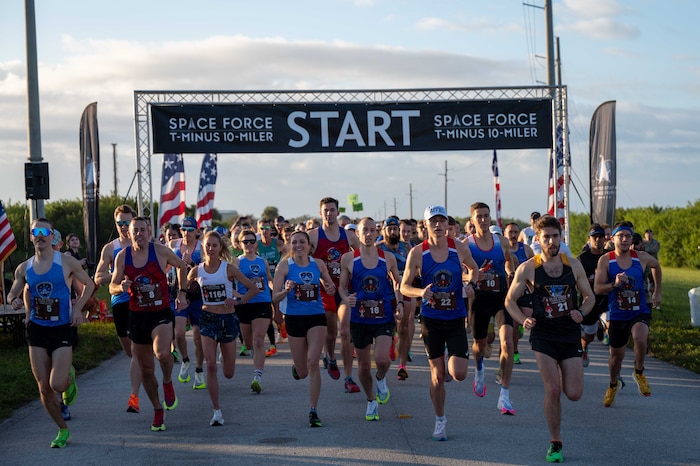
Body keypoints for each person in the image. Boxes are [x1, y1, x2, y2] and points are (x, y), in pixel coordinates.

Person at [505, 215, 594, 463]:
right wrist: (523, 321)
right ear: (538, 239)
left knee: (574, 393)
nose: (552, 241)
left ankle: (567, 384)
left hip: (568, 333)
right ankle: (555, 442)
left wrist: (582, 312)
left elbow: (589, 297)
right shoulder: (528, 268)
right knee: (553, 389)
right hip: (543, 335)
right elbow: (509, 301)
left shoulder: (573, 265)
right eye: (547, 237)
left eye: (556, 236)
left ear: (561, 237)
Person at [7, 219, 95, 448]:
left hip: (61, 327)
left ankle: (69, 377)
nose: (40, 235)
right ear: (31, 236)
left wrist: (77, 309)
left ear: (52, 236)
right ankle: (62, 430)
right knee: (43, 387)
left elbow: (90, 285)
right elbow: (12, 293)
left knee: (57, 383)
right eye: (36, 232)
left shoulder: (65, 262)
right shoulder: (24, 268)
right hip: (37, 328)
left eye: (45, 231)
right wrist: (14, 300)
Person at [400, 205, 477, 441]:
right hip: (431, 320)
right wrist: (421, 292)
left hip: (455, 319)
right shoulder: (417, 253)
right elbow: (404, 286)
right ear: (425, 225)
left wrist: (468, 282)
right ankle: (440, 420)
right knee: (436, 375)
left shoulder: (459, 248)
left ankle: (448, 363)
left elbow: (472, 269)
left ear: (447, 224)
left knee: (460, 374)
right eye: (433, 221)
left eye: (442, 221)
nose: (438, 225)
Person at [109, 216, 188, 431]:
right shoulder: (122, 257)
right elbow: (112, 286)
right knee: (144, 370)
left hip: (161, 312)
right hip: (137, 316)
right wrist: (120, 287)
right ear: (129, 233)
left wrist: (181, 292)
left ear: (149, 232)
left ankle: (167, 380)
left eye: (143, 230)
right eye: (135, 230)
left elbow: (182, 266)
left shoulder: (160, 251)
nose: (139, 234)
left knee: (162, 353)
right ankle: (156, 409)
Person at [187, 231, 258, 425]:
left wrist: (236, 300)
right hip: (207, 318)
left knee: (228, 372)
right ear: (203, 247)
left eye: (214, 245)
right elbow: (183, 290)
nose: (210, 249)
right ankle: (216, 411)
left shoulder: (228, 269)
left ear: (220, 248)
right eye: (207, 245)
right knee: (210, 366)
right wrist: (181, 298)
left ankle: (224, 354)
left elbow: (253, 289)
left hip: (228, 319)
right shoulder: (196, 271)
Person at [339, 217, 403, 421]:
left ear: (377, 233)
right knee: (364, 367)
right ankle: (371, 400)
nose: (368, 233)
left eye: (372, 230)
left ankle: (381, 378)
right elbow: (341, 286)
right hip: (359, 317)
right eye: (364, 230)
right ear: (357, 234)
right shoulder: (348, 259)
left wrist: (400, 303)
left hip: (383, 315)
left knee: (383, 359)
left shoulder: (388, 258)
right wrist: (345, 298)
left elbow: (397, 283)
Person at [272, 230, 336, 427]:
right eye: (294, 242)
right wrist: (286, 290)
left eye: (302, 242)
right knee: (303, 371)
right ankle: (297, 368)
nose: (298, 245)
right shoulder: (284, 266)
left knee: (313, 362)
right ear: (290, 246)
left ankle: (313, 410)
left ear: (309, 245)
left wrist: (329, 287)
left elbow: (329, 284)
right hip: (294, 319)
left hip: (316, 316)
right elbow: (274, 297)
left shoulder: (318, 263)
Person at [594, 221, 662, 408]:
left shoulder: (641, 257)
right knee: (616, 358)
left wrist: (657, 290)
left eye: (628, 236)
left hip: (639, 310)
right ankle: (613, 384)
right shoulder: (606, 260)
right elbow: (598, 288)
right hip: (617, 314)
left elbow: (656, 266)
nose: (624, 239)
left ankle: (639, 372)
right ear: (613, 238)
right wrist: (613, 284)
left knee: (640, 338)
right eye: (621, 236)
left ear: (632, 239)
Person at [466, 202, 517, 414]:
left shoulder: (501, 241)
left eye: (487, 216)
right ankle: (478, 369)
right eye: (479, 216)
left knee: (507, 343)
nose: (484, 220)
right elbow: (461, 270)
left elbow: (509, 261)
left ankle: (504, 394)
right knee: (480, 345)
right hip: (479, 300)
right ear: (472, 220)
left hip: (500, 299)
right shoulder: (466, 244)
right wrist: (470, 280)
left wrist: (510, 273)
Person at [308, 197, 361, 393]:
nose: (329, 213)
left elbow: (361, 258)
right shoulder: (313, 236)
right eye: (325, 210)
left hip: (344, 290)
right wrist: (321, 279)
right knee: (330, 333)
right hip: (324, 291)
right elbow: (304, 261)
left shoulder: (349, 237)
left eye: (332, 210)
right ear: (320, 212)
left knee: (345, 332)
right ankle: (330, 357)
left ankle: (349, 377)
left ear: (338, 212)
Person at [94, 204, 142, 413]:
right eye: (120, 223)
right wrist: (117, 276)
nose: (123, 227)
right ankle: (142, 373)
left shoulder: (144, 244)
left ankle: (134, 396)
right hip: (120, 300)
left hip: (141, 302)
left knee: (137, 350)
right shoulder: (110, 248)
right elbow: (98, 277)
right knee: (129, 350)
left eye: (126, 223)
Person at [168, 216, 206, 390]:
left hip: (198, 296)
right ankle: (185, 359)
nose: (187, 233)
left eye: (190, 230)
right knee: (180, 332)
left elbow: (208, 268)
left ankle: (199, 370)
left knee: (198, 339)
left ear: (197, 231)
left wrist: (193, 263)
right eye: (184, 229)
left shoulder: (202, 247)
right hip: (179, 294)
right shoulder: (174, 245)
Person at [235, 229, 273, 393]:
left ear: (256, 243)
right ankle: (253, 353)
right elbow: (228, 284)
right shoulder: (236, 262)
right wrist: (238, 296)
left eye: (252, 241)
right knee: (248, 344)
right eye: (245, 242)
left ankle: (257, 376)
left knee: (259, 340)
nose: (249, 244)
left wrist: (277, 290)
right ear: (240, 244)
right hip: (244, 304)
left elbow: (270, 280)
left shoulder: (262, 261)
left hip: (262, 302)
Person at [378, 217, 414, 380]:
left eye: (395, 229)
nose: (393, 232)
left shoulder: (406, 247)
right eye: (389, 229)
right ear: (383, 231)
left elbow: (415, 266)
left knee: (404, 327)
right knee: (388, 326)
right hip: (385, 293)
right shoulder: (378, 248)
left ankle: (402, 365)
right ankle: (390, 341)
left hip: (405, 290)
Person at [577, 225, 610, 367]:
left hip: (606, 300)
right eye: (594, 237)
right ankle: (584, 347)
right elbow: (578, 282)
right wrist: (594, 279)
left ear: (605, 238)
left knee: (611, 323)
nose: (598, 240)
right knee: (589, 335)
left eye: (601, 237)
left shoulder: (610, 255)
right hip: (589, 301)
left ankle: (614, 359)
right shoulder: (582, 259)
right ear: (589, 239)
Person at [503, 222, 534, 365]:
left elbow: (534, 269)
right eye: (510, 232)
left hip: (526, 291)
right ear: (505, 234)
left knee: (527, 316)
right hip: (510, 292)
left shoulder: (526, 250)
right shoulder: (502, 251)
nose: (514, 235)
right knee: (514, 325)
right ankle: (515, 352)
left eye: (516, 232)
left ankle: (522, 324)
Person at [256, 218, 285, 357]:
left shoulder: (277, 243)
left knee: (277, 316)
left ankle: (282, 326)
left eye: (267, 228)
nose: (264, 231)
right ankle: (273, 345)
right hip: (264, 283)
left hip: (277, 282)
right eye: (262, 228)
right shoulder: (256, 245)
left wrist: (282, 266)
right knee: (268, 315)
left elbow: (288, 254)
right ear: (258, 230)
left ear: (271, 230)